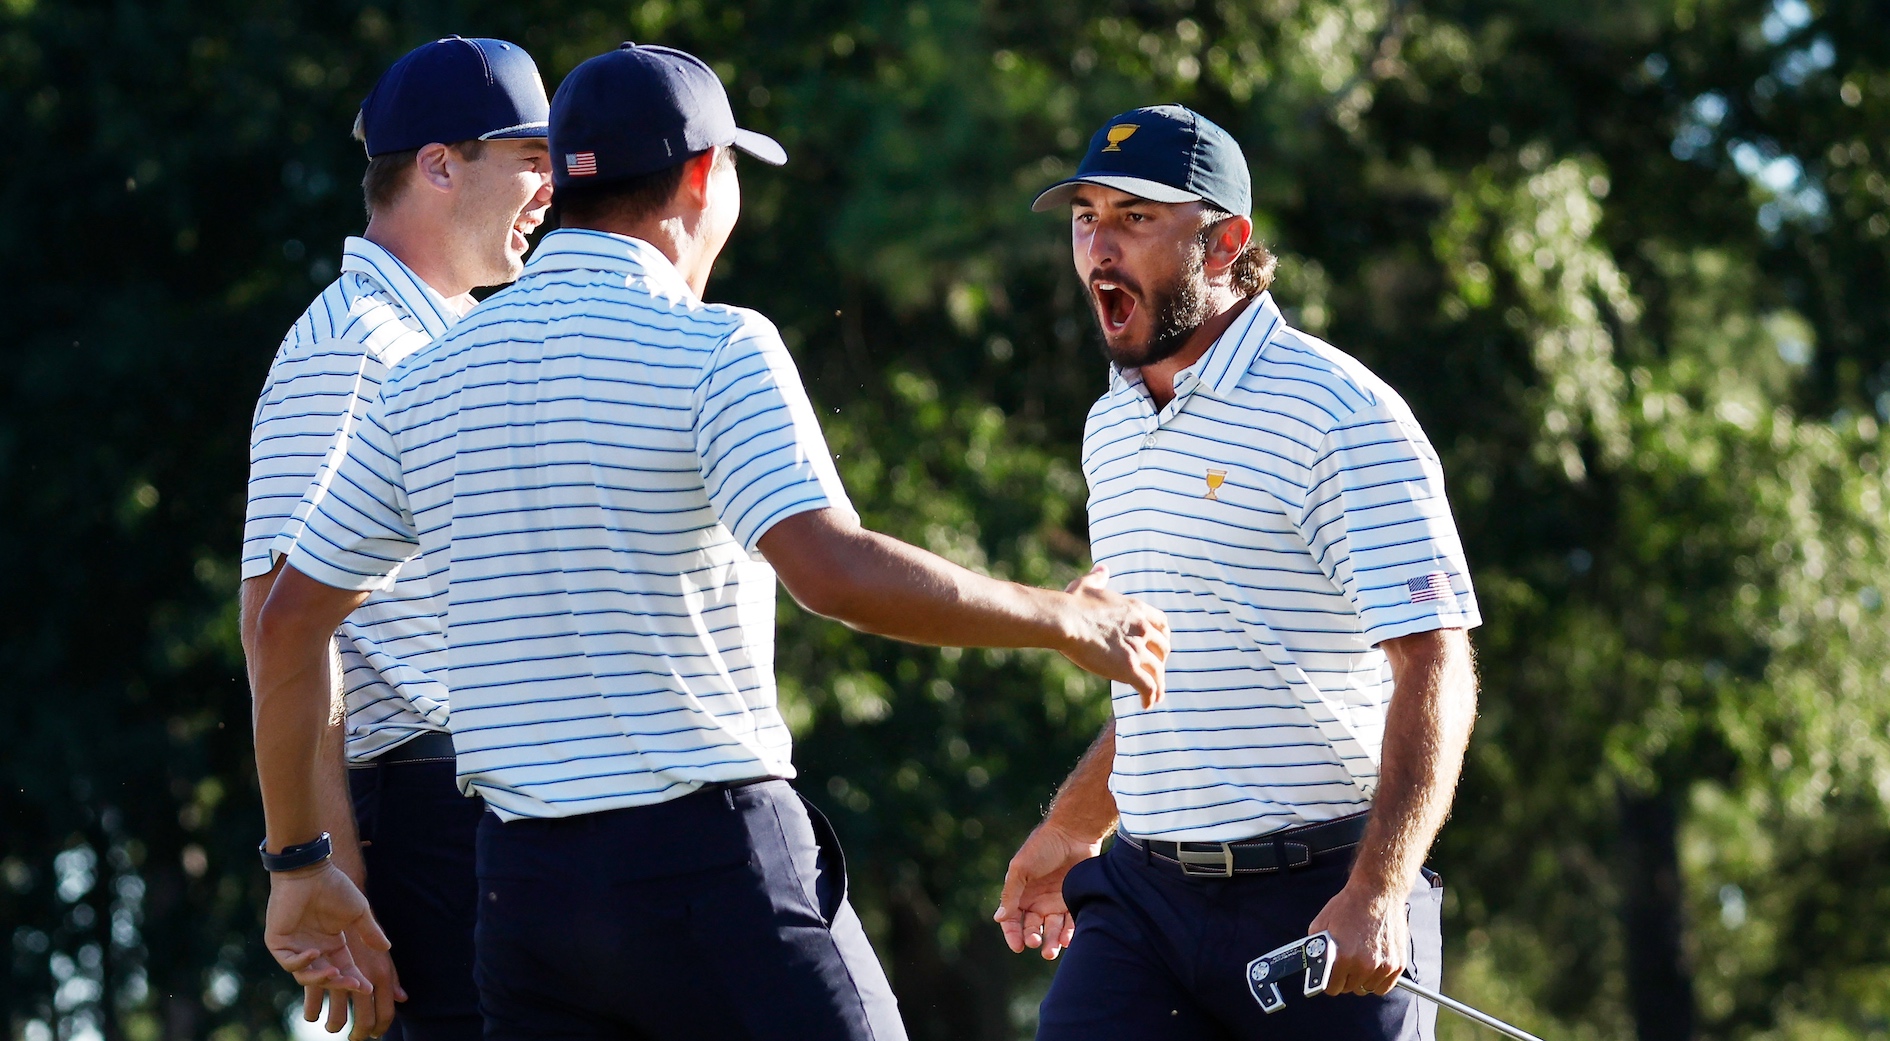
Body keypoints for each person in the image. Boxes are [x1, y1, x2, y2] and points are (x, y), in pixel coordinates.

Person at [247, 43, 1171, 1041]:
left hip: (524, 896)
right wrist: (1062, 618)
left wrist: (298, 860)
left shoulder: (426, 378)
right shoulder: (718, 343)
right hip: (711, 867)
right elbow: (833, 574)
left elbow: (286, 623)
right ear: (701, 178)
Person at [993, 105, 1481, 1041]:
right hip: (1143, 900)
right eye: (1086, 217)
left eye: (1136, 217)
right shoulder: (1111, 424)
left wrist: (1378, 888)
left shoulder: (1339, 412)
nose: (1099, 246)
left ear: (1225, 243)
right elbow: (1181, 668)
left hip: (1322, 895)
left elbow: (1436, 664)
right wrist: (1074, 822)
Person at [238, 35, 551, 1041]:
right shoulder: (354, 345)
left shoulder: (429, 334)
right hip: (421, 812)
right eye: (531, 159)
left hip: (471, 806)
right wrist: (310, 860)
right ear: (440, 165)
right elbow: (280, 618)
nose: (552, 188)